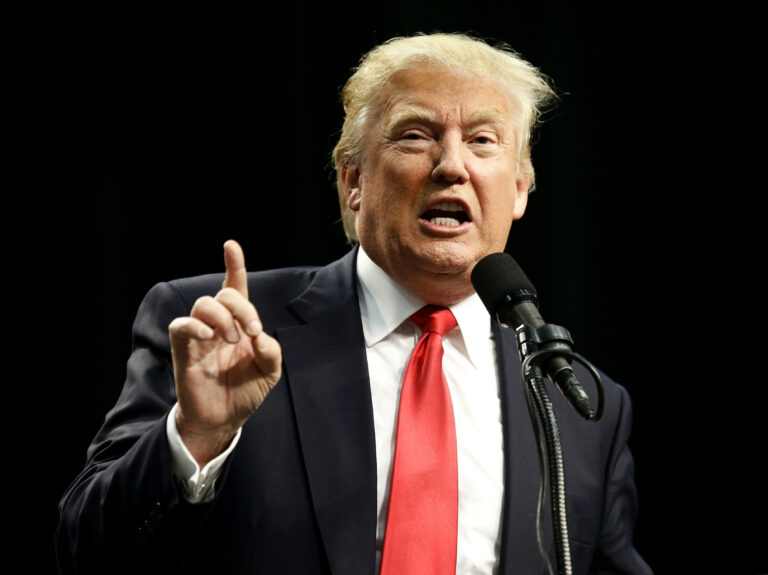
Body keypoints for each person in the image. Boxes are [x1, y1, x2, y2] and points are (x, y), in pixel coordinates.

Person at [56, 32, 652, 574]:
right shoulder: (218, 328)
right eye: (416, 135)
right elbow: (86, 552)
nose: (452, 165)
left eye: (482, 141)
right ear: (353, 181)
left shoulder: (575, 403)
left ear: (519, 190)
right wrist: (194, 436)